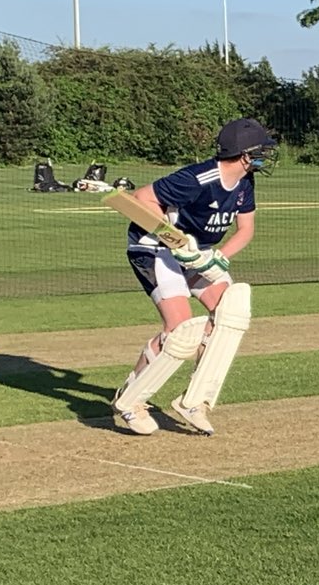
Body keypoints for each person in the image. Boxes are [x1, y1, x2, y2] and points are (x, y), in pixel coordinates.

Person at [109, 117, 277, 436]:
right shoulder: (198, 178)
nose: (265, 155)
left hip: (197, 254)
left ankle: (195, 400)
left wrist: (217, 257)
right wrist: (176, 240)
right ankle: (130, 399)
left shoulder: (245, 182)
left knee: (232, 312)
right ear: (243, 154)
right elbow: (141, 199)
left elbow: (246, 230)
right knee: (180, 330)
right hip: (155, 248)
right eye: (260, 150)